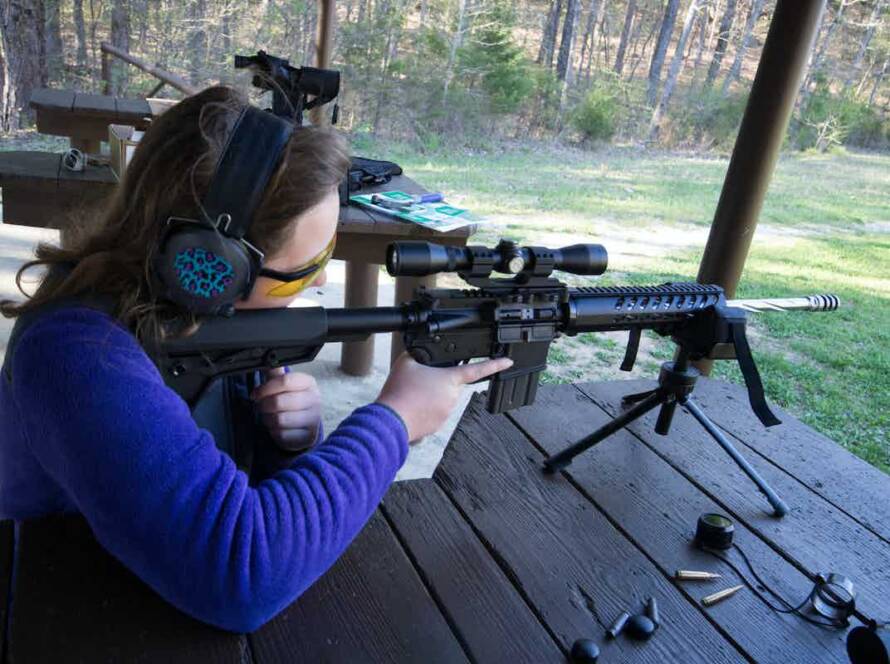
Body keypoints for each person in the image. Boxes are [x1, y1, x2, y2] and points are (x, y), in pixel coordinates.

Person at [0, 86, 511, 633]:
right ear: (208, 264)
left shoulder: (199, 313)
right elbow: (241, 575)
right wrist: (394, 421)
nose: (318, 280)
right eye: (306, 269)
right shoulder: (77, 354)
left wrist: (285, 441)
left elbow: (229, 480)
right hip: (51, 611)